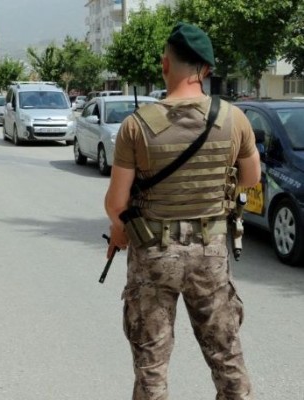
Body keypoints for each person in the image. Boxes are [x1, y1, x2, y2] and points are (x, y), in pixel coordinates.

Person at [104, 22, 261, 400]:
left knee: (151, 366)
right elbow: (251, 177)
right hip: (210, 252)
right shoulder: (233, 118)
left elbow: (116, 204)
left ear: (164, 65)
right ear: (205, 70)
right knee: (226, 358)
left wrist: (120, 228)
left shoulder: (135, 127)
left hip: (154, 255)